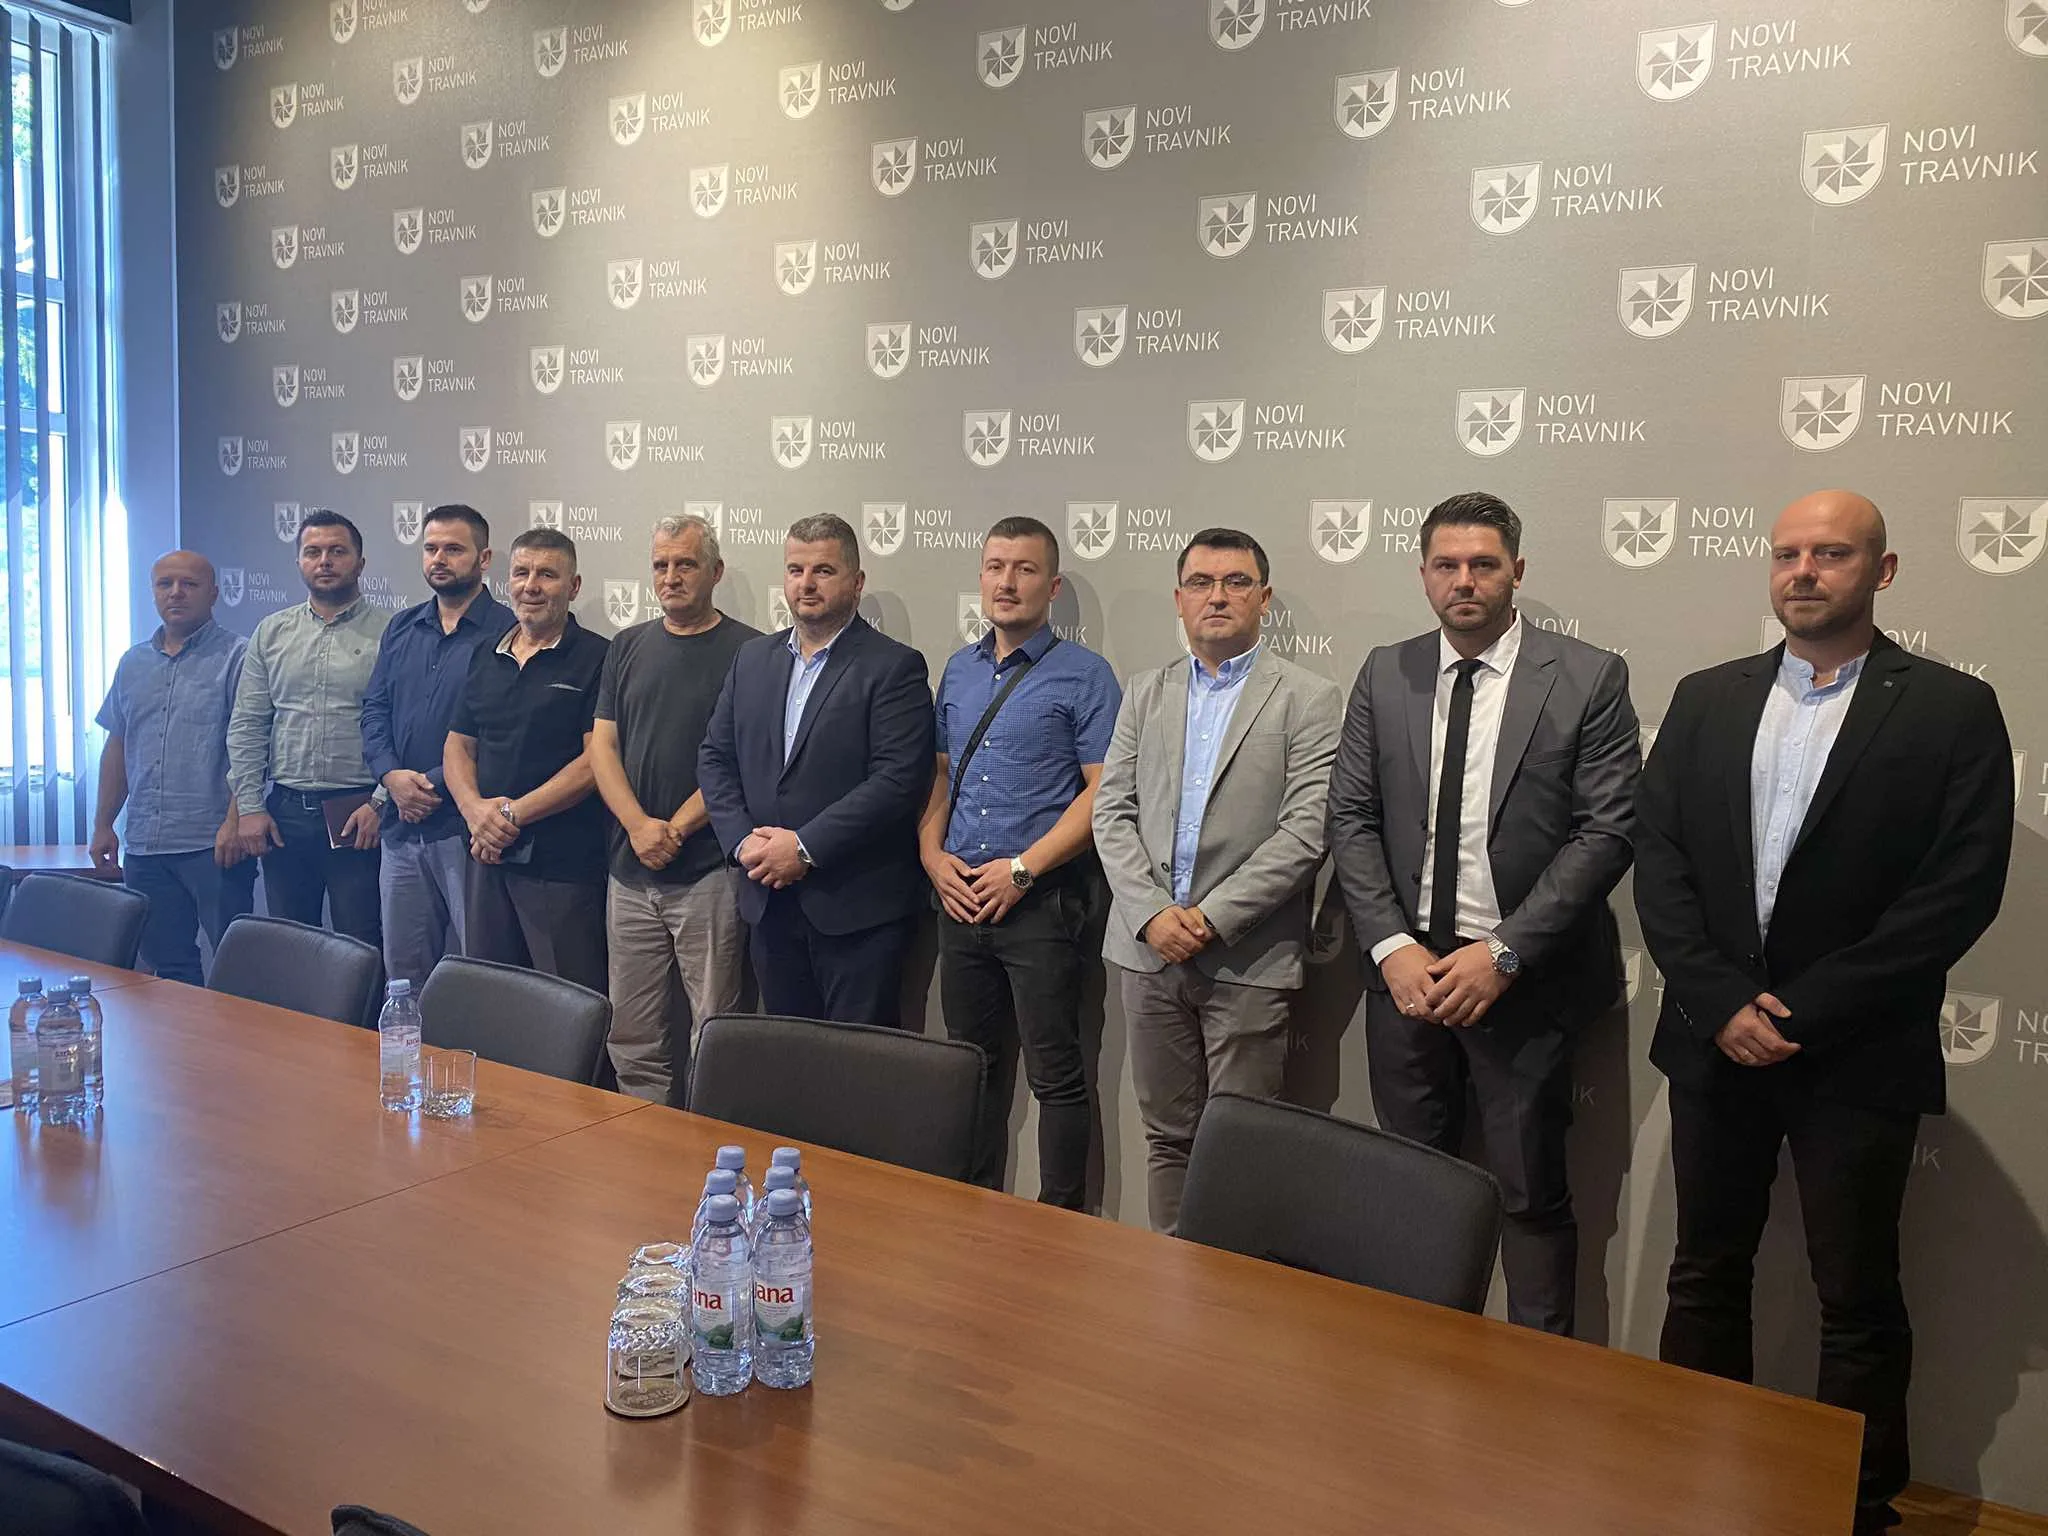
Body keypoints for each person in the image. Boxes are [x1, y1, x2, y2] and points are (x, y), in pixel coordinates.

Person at [1635, 489, 2012, 1536]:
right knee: (1704, 1274)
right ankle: (1691, 1477)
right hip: (1713, 1043)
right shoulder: (1705, 698)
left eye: (1831, 554)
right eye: (1787, 553)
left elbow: (1957, 891)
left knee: (1856, 1294)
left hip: (1856, 1051)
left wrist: (1802, 1010)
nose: (1802, 571)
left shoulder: (1950, 709)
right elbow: (1658, 861)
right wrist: (1721, 1002)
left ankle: (1854, 1503)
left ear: (1880, 573)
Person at [1326, 491, 1640, 1336]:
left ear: (1516, 571)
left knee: (1531, 1198)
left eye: (1483, 564)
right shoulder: (1385, 671)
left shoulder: (1588, 676)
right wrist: (1390, 945)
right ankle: (1414, 1360)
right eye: (1446, 565)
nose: (1463, 581)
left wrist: (1503, 953)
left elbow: (1607, 832)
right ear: (1423, 574)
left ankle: (1538, 1379)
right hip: (1406, 976)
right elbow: (1350, 817)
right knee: (1410, 1187)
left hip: (1523, 981)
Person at [1091, 528, 1341, 1233]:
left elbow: (1307, 832)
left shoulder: (1309, 698)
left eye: (1236, 582)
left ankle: (1229, 1292)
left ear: (1264, 598)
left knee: (1242, 1146)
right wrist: (1151, 915)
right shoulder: (1145, 692)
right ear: (1180, 599)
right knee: (1167, 1139)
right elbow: (1111, 812)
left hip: (1247, 956)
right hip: (1147, 953)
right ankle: (1168, 1282)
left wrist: (1208, 918)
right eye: (1201, 583)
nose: (1217, 596)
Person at [920, 516, 1121, 1208]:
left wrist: (1024, 869)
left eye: (1025, 569)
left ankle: (1060, 1226)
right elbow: (939, 776)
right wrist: (931, 856)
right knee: (970, 1072)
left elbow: (1102, 793)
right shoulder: (958, 669)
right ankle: (969, 1214)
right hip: (959, 899)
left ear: (1052, 586)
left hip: (1042, 904)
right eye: (996, 566)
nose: (1007, 582)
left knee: (1057, 1077)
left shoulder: (1086, 676)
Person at [698, 514, 933, 1026]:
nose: (806, 583)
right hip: (768, 901)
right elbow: (715, 758)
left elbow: (897, 780)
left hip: (857, 912)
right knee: (787, 1060)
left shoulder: (894, 666)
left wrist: (804, 848)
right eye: (795, 570)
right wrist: (744, 843)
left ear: (857, 581)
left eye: (823, 570)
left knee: (858, 1063)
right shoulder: (751, 659)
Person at [589, 515, 759, 1104]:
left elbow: (742, 759)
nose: (671, 576)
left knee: (714, 1029)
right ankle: (639, 1140)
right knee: (632, 1033)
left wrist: (677, 829)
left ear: (715, 571)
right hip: (629, 870)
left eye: (685, 564)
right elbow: (603, 747)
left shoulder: (751, 652)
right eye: (661, 565)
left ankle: (709, 1143)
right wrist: (638, 827)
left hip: (708, 870)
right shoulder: (627, 645)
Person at [444, 527, 611, 995]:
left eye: (547, 575)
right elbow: (458, 745)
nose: (531, 586)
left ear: (573, 586)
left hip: (562, 866)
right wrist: (475, 812)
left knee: (565, 1002)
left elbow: (595, 761)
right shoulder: (486, 651)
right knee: (489, 994)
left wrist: (511, 814)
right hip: (486, 853)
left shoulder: (600, 657)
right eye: (521, 573)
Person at [360, 505, 509, 989]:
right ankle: (409, 1046)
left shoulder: (508, 631)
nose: (439, 559)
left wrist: (429, 786)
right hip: (400, 828)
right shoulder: (402, 627)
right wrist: (391, 777)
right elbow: (374, 709)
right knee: (404, 975)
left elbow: (501, 731)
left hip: (465, 829)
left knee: (476, 974)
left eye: (453, 549)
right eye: (430, 548)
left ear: (484, 558)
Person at [89, 551, 256, 983]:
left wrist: (236, 820)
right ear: (153, 592)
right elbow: (118, 746)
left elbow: (254, 747)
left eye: (189, 584)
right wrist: (103, 824)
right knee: (167, 970)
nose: (176, 593)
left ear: (213, 594)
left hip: (214, 843)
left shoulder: (239, 657)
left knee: (238, 968)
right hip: (145, 845)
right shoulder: (132, 663)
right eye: (165, 584)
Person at [227, 511, 391, 945]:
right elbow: (248, 724)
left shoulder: (392, 633)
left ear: (360, 562)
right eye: (313, 552)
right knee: (289, 943)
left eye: (337, 551)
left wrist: (380, 804)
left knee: (362, 943)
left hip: (358, 812)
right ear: (299, 562)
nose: (325, 561)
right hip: (284, 813)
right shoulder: (272, 632)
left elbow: (405, 729)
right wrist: (249, 807)